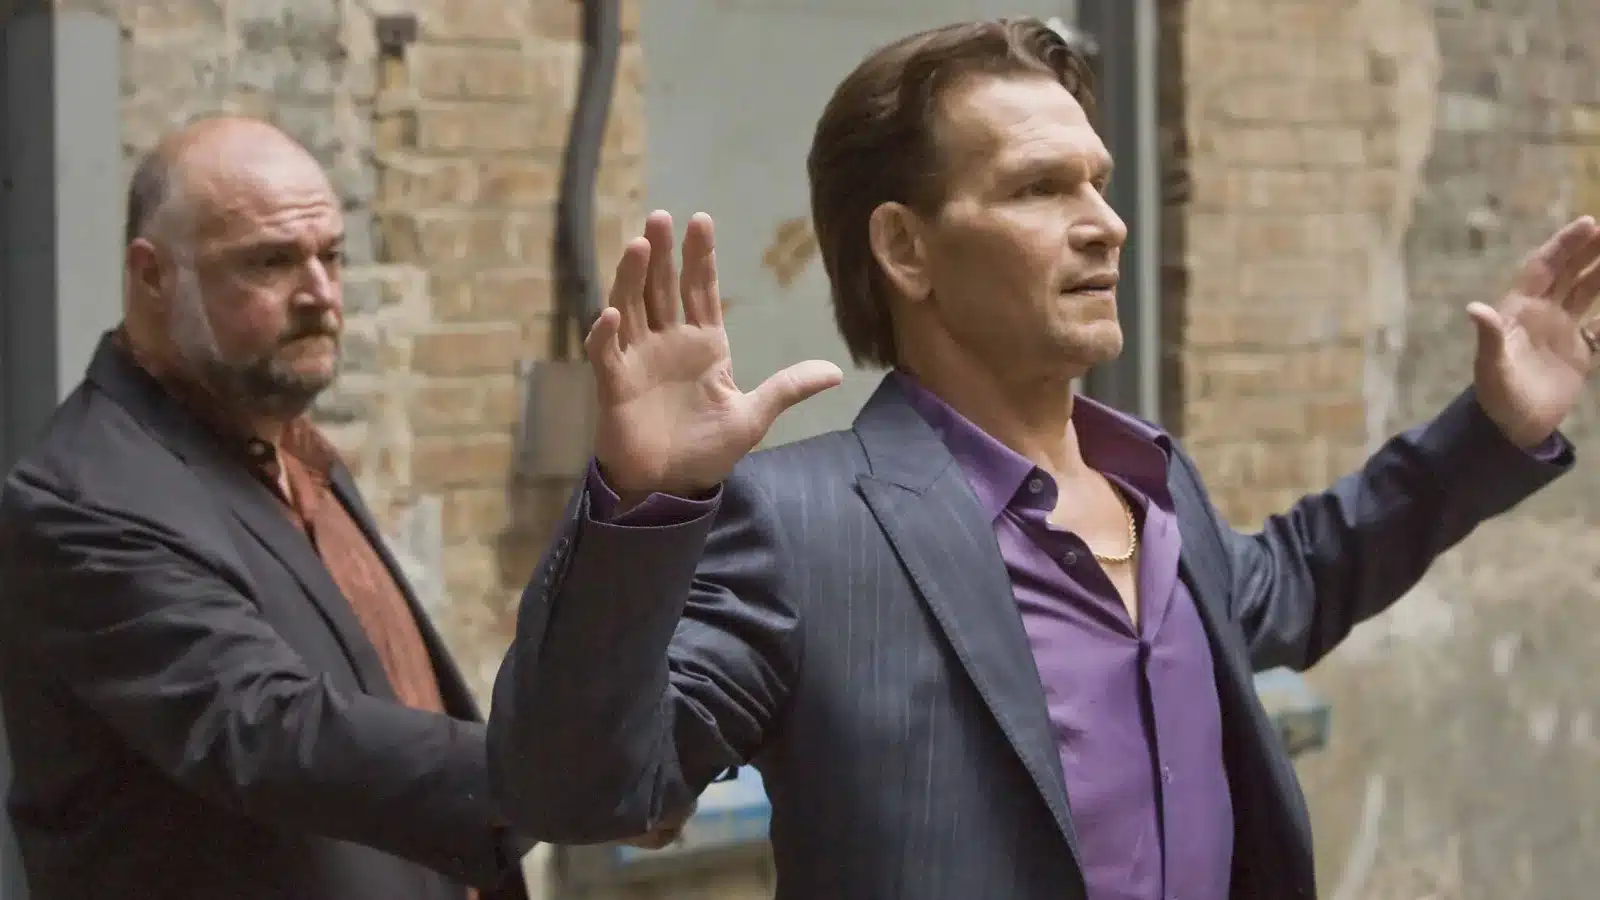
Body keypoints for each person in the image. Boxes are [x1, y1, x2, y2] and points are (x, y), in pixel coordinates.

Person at [486, 18, 1598, 900]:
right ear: (906, 248)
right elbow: (580, 791)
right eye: (1038, 187)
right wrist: (642, 505)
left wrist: (1489, 427)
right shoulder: (803, 525)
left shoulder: (1153, 489)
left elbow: (1299, 578)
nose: (1105, 221)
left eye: (1097, 180)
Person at [0, 117, 672, 900]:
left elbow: (384, 702)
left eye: (331, 255)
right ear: (152, 276)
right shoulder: (81, 500)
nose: (319, 294)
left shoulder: (291, 449)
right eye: (271, 261)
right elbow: (268, 730)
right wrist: (550, 781)